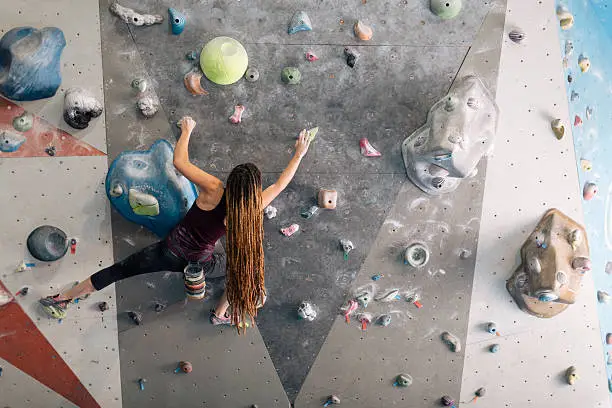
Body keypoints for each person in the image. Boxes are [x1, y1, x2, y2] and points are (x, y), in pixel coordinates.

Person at [40, 116, 312, 331]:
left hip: (167, 250)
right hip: (198, 262)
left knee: (117, 271)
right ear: (253, 192)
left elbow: (180, 162)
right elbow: (279, 185)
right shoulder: (252, 207)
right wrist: (298, 154)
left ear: (232, 180)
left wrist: (187, 130)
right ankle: (220, 314)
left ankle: (62, 298)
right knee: (238, 271)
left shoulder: (215, 188)